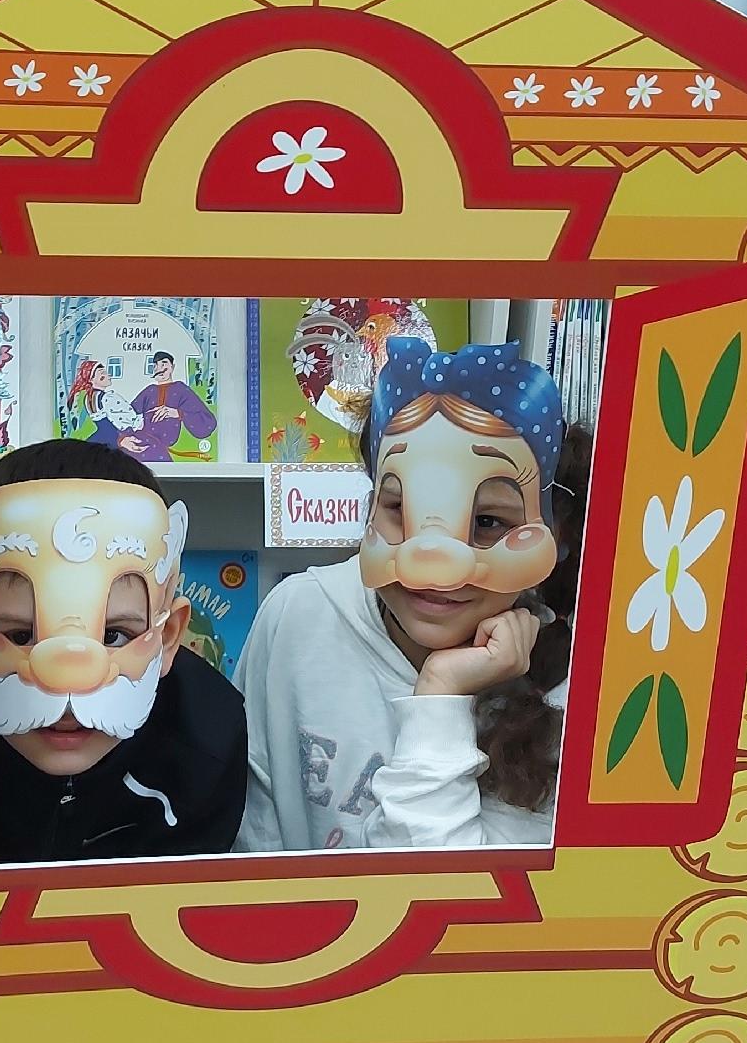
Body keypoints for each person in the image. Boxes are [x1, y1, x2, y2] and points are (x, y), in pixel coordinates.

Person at [235, 339, 585, 850]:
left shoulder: (570, 691)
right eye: (400, 509)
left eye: (489, 522)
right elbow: (253, 839)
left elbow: (454, 892)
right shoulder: (299, 615)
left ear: (557, 533)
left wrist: (442, 694)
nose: (433, 566)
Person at [0, 440, 245, 864]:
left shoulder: (205, 743)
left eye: (115, 636)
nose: (67, 681)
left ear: (169, 636)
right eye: (20, 634)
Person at [123, 351, 217, 461]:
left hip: (161, 449)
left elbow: (206, 421)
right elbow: (126, 416)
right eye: (156, 365)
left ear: (172, 367)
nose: (160, 368)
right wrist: (122, 439)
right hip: (139, 442)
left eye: (164, 363)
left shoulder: (180, 389)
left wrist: (177, 413)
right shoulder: (149, 391)